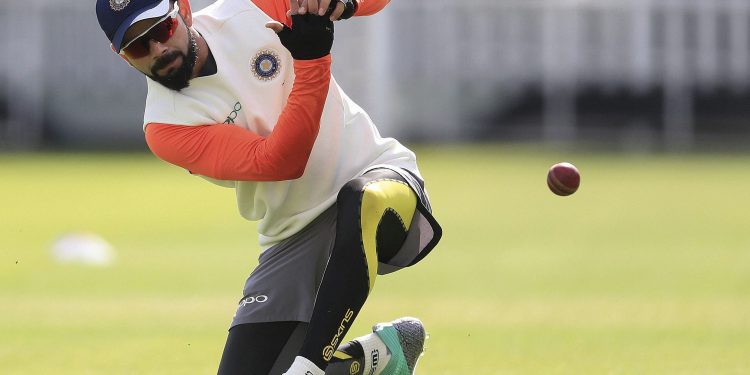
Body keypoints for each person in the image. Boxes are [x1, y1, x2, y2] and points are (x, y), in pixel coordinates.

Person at [95, 0, 442, 374]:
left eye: (161, 30)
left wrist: (342, 4)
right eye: (138, 46)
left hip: (382, 180)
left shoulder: (251, 9)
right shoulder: (166, 127)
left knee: (360, 198)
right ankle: (378, 358)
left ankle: (309, 366)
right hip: (293, 233)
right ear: (121, 57)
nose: (157, 50)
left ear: (184, 11)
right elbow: (279, 162)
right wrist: (313, 62)